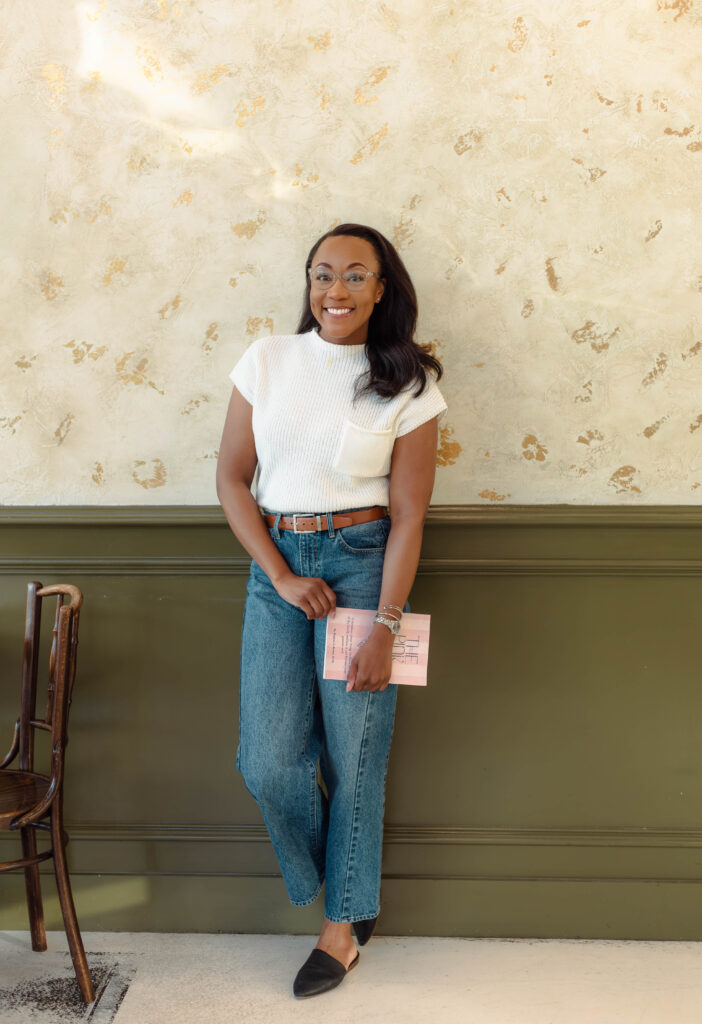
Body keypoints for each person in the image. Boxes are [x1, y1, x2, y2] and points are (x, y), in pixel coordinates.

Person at [216, 223, 447, 998]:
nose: (335, 290)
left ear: (383, 288)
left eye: (355, 276)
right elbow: (231, 480)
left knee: (357, 766)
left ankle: (342, 928)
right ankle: (352, 883)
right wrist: (279, 575)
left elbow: (410, 515)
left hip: (362, 570)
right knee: (269, 763)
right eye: (322, 274)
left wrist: (384, 624)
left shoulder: (409, 381)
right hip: (277, 571)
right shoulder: (267, 361)